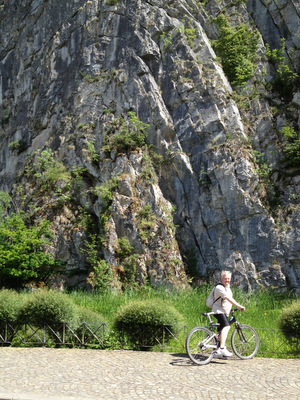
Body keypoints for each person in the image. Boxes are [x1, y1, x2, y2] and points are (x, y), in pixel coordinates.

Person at [212, 270, 245, 357]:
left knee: (221, 330)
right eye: (225, 278)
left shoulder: (227, 287)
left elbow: (227, 301)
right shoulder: (220, 287)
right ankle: (222, 348)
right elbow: (228, 299)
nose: (227, 280)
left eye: (229, 278)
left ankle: (217, 351)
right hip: (218, 311)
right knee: (227, 326)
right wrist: (239, 306)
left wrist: (230, 309)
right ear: (221, 278)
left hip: (223, 311)